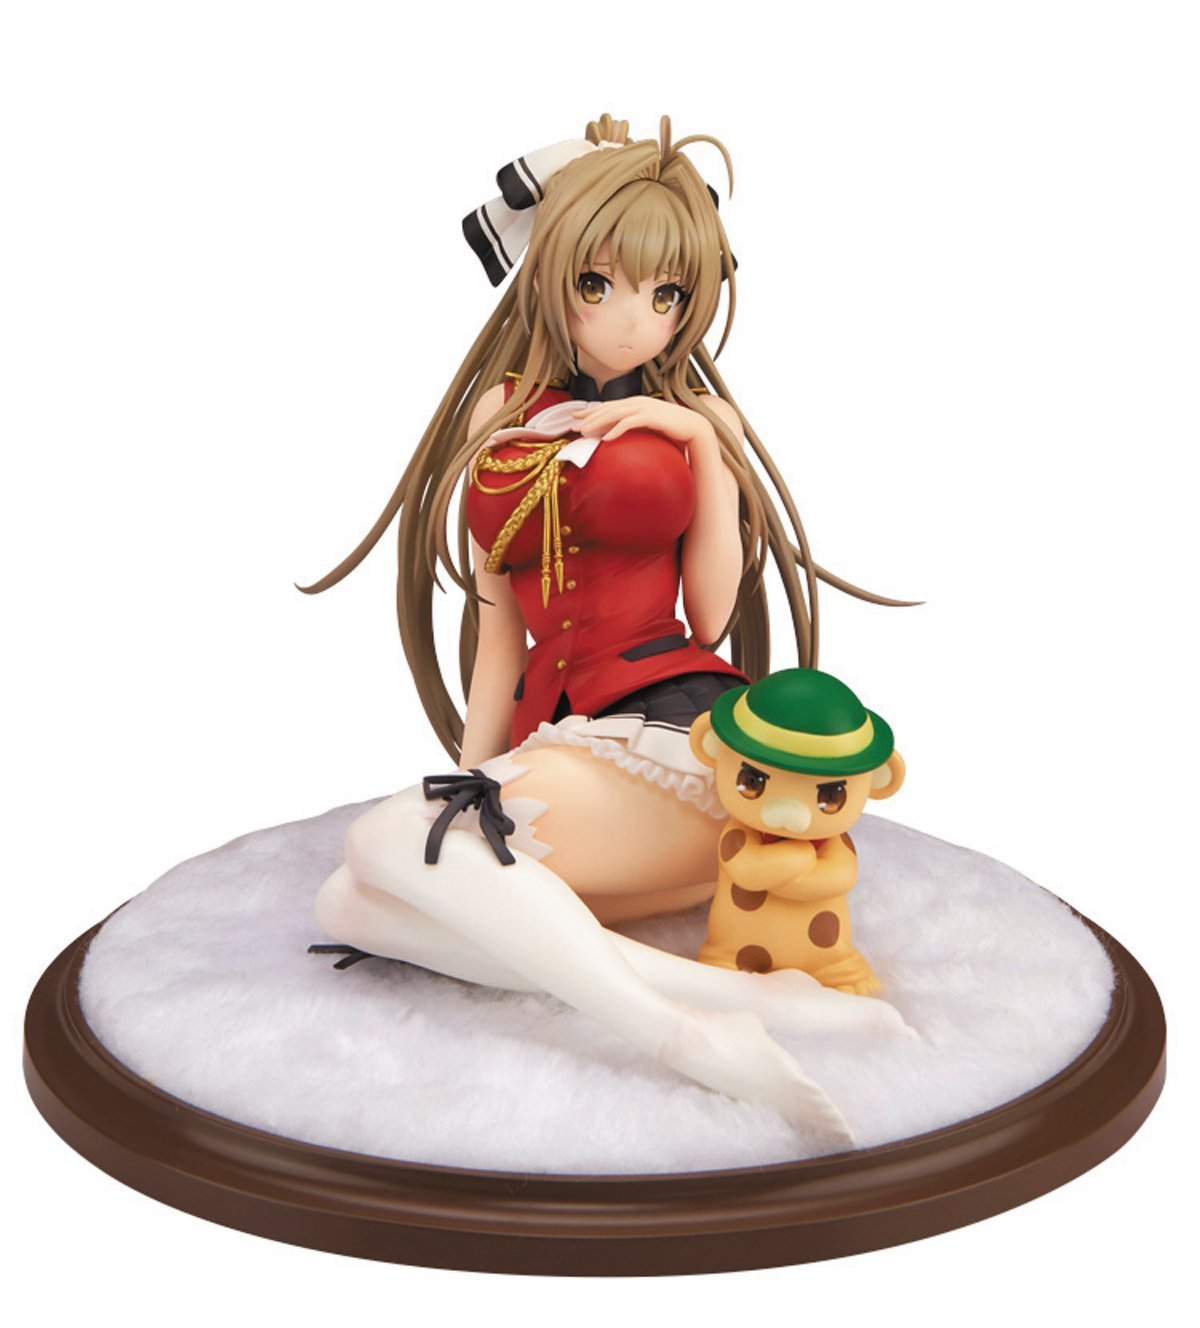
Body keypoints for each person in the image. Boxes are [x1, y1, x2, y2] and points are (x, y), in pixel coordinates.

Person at [303, 115, 908, 1140]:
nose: (634, 323)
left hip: (674, 741)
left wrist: (703, 440)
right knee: (353, 902)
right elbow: (498, 625)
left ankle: (682, 1037)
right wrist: (471, 785)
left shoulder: (688, 424)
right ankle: (760, 1007)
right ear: (550, 277)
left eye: (665, 297)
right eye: (600, 285)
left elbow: (709, 615)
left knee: (381, 838)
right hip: (572, 764)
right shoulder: (502, 415)